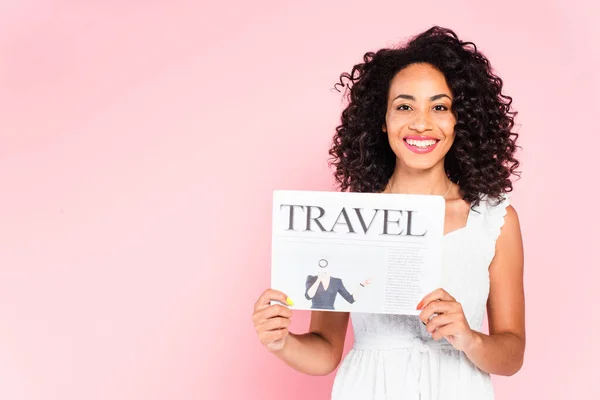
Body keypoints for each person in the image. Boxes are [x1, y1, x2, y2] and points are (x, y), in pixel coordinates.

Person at [251, 26, 525, 400]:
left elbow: (512, 355)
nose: (422, 122)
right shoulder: (349, 219)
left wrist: (469, 337)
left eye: (440, 106)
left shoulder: (495, 220)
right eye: (405, 106)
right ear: (382, 120)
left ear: (461, 120)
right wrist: (280, 340)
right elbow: (324, 352)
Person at [305, 259, 371, 310]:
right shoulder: (311, 278)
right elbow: (308, 296)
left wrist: (361, 285)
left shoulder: (336, 282)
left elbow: (350, 299)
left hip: (331, 312)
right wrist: (319, 279)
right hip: (315, 311)